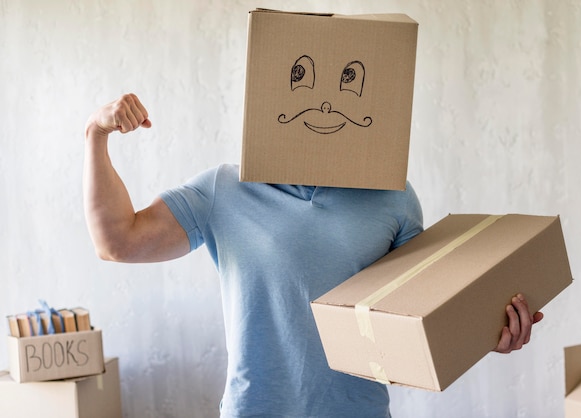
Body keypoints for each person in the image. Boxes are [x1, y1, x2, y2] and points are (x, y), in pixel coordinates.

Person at [83, 93, 543, 417]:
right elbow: (117, 242)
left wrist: (485, 333)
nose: (324, 104)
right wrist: (96, 133)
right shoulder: (224, 189)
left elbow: (412, 326)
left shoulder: (393, 196)